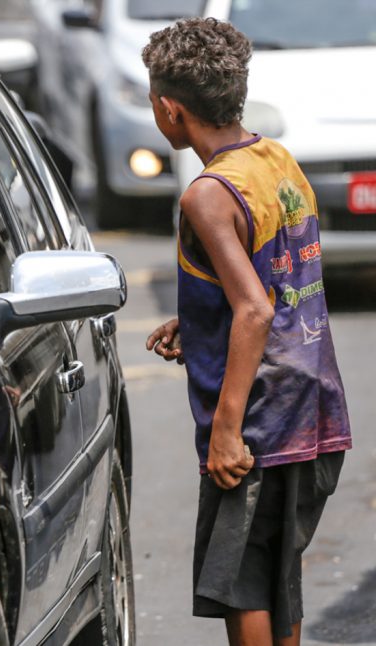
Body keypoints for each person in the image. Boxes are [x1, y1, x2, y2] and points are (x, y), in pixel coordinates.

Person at [140, 17, 352, 646]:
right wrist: (202, 316)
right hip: (312, 404)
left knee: (241, 587)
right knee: (274, 576)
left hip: (259, 422)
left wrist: (227, 432)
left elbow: (255, 311)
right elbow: (272, 279)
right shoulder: (274, 159)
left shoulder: (207, 195)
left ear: (169, 110)